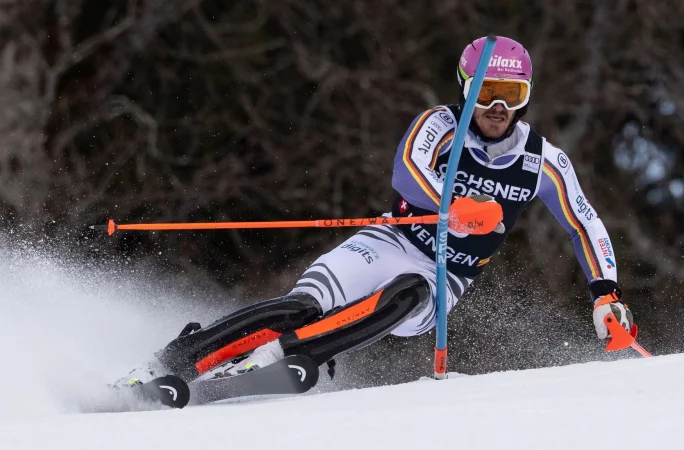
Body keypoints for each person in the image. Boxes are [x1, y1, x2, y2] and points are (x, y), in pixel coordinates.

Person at [116, 35, 633, 388]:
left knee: (407, 295)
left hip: (444, 277)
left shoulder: (544, 160)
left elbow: (583, 221)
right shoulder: (440, 124)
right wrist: (455, 208)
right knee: (303, 304)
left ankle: (288, 356)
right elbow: (407, 171)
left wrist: (605, 296)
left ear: (525, 98)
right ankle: (173, 362)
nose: (498, 108)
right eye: (488, 94)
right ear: (466, 89)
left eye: (511, 96)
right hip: (389, 241)